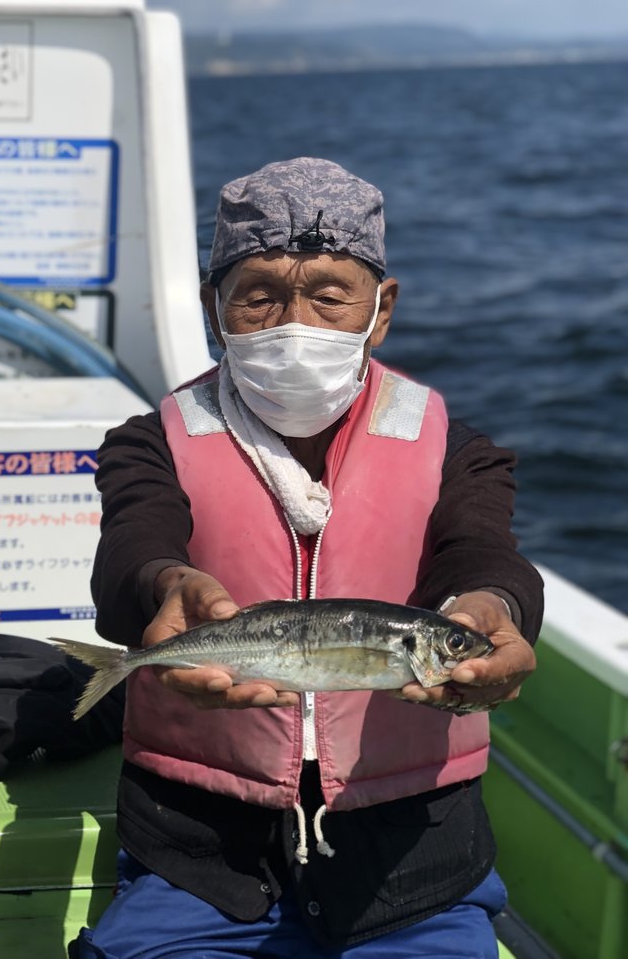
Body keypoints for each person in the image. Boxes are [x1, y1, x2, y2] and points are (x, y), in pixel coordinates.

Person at [72, 158, 542, 958]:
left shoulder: (455, 450)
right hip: (199, 854)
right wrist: (163, 584)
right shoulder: (148, 444)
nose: (297, 323)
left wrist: (491, 608)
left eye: (330, 295)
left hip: (414, 864)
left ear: (381, 309)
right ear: (211, 308)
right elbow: (133, 548)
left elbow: (483, 549)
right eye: (257, 295)